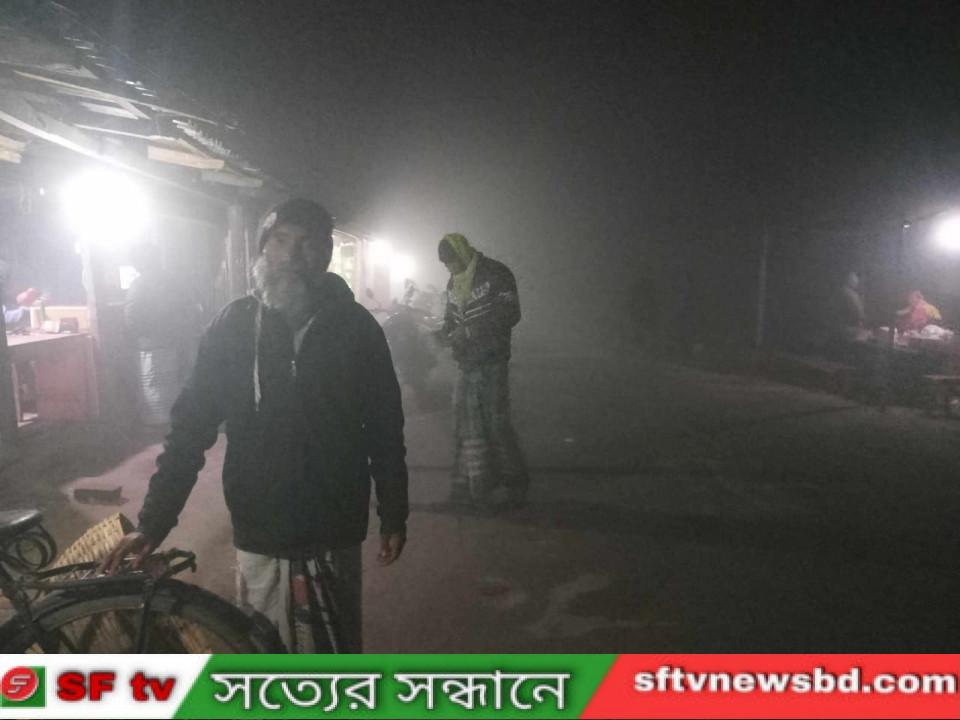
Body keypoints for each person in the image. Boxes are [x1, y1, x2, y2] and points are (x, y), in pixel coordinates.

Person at [101, 198, 409, 653]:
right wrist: (154, 522)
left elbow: (384, 427)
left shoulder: (356, 329)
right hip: (261, 524)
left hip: (334, 523)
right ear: (263, 248)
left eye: (307, 243)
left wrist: (394, 511)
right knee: (262, 649)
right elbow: (190, 428)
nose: (292, 256)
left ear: (325, 254)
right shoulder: (234, 326)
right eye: (280, 241)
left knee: (334, 655)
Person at [437, 232, 528, 510]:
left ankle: (515, 485)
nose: (449, 269)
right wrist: (442, 335)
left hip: (492, 362)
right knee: (465, 426)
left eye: (451, 262)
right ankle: (469, 488)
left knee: (495, 424)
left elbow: (510, 313)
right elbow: (451, 319)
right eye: (445, 265)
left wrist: (470, 331)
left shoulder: (496, 274)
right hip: (467, 363)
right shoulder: (453, 283)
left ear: (462, 254)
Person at [124, 242, 203, 426]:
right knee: (177, 389)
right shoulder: (175, 280)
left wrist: (146, 335)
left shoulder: (139, 285)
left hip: (153, 348)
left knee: (157, 396)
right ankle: (180, 426)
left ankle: (161, 430)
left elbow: (132, 319)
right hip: (180, 344)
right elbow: (193, 310)